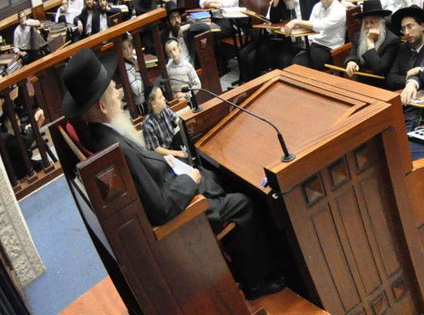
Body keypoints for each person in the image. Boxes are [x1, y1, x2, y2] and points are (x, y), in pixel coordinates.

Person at [62, 48, 282, 296]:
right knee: (243, 201)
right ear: (102, 106)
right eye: (114, 90)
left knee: (221, 176)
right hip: (184, 212)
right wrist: (189, 179)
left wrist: (162, 159)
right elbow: (160, 208)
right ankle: (257, 281)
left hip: (173, 184)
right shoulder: (114, 149)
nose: (120, 93)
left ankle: (239, 268)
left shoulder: (100, 135)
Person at [286, 0, 345, 71]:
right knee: (287, 59)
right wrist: (309, 43)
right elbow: (311, 30)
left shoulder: (340, 10)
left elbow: (319, 26)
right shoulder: (317, 6)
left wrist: (296, 21)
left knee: (298, 63)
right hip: (315, 45)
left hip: (331, 49)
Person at [342, 0, 396, 80]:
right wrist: (351, 61)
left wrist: (370, 42)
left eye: (372, 22)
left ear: (382, 23)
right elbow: (353, 54)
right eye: (366, 23)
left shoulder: (392, 41)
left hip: (381, 84)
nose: (368, 26)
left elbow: (379, 68)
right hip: (361, 80)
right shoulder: (358, 36)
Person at [384, 5, 424, 93]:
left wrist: (412, 81)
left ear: (422, 26)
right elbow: (391, 79)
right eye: (403, 29)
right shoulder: (403, 47)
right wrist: (410, 80)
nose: (406, 32)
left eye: (410, 27)